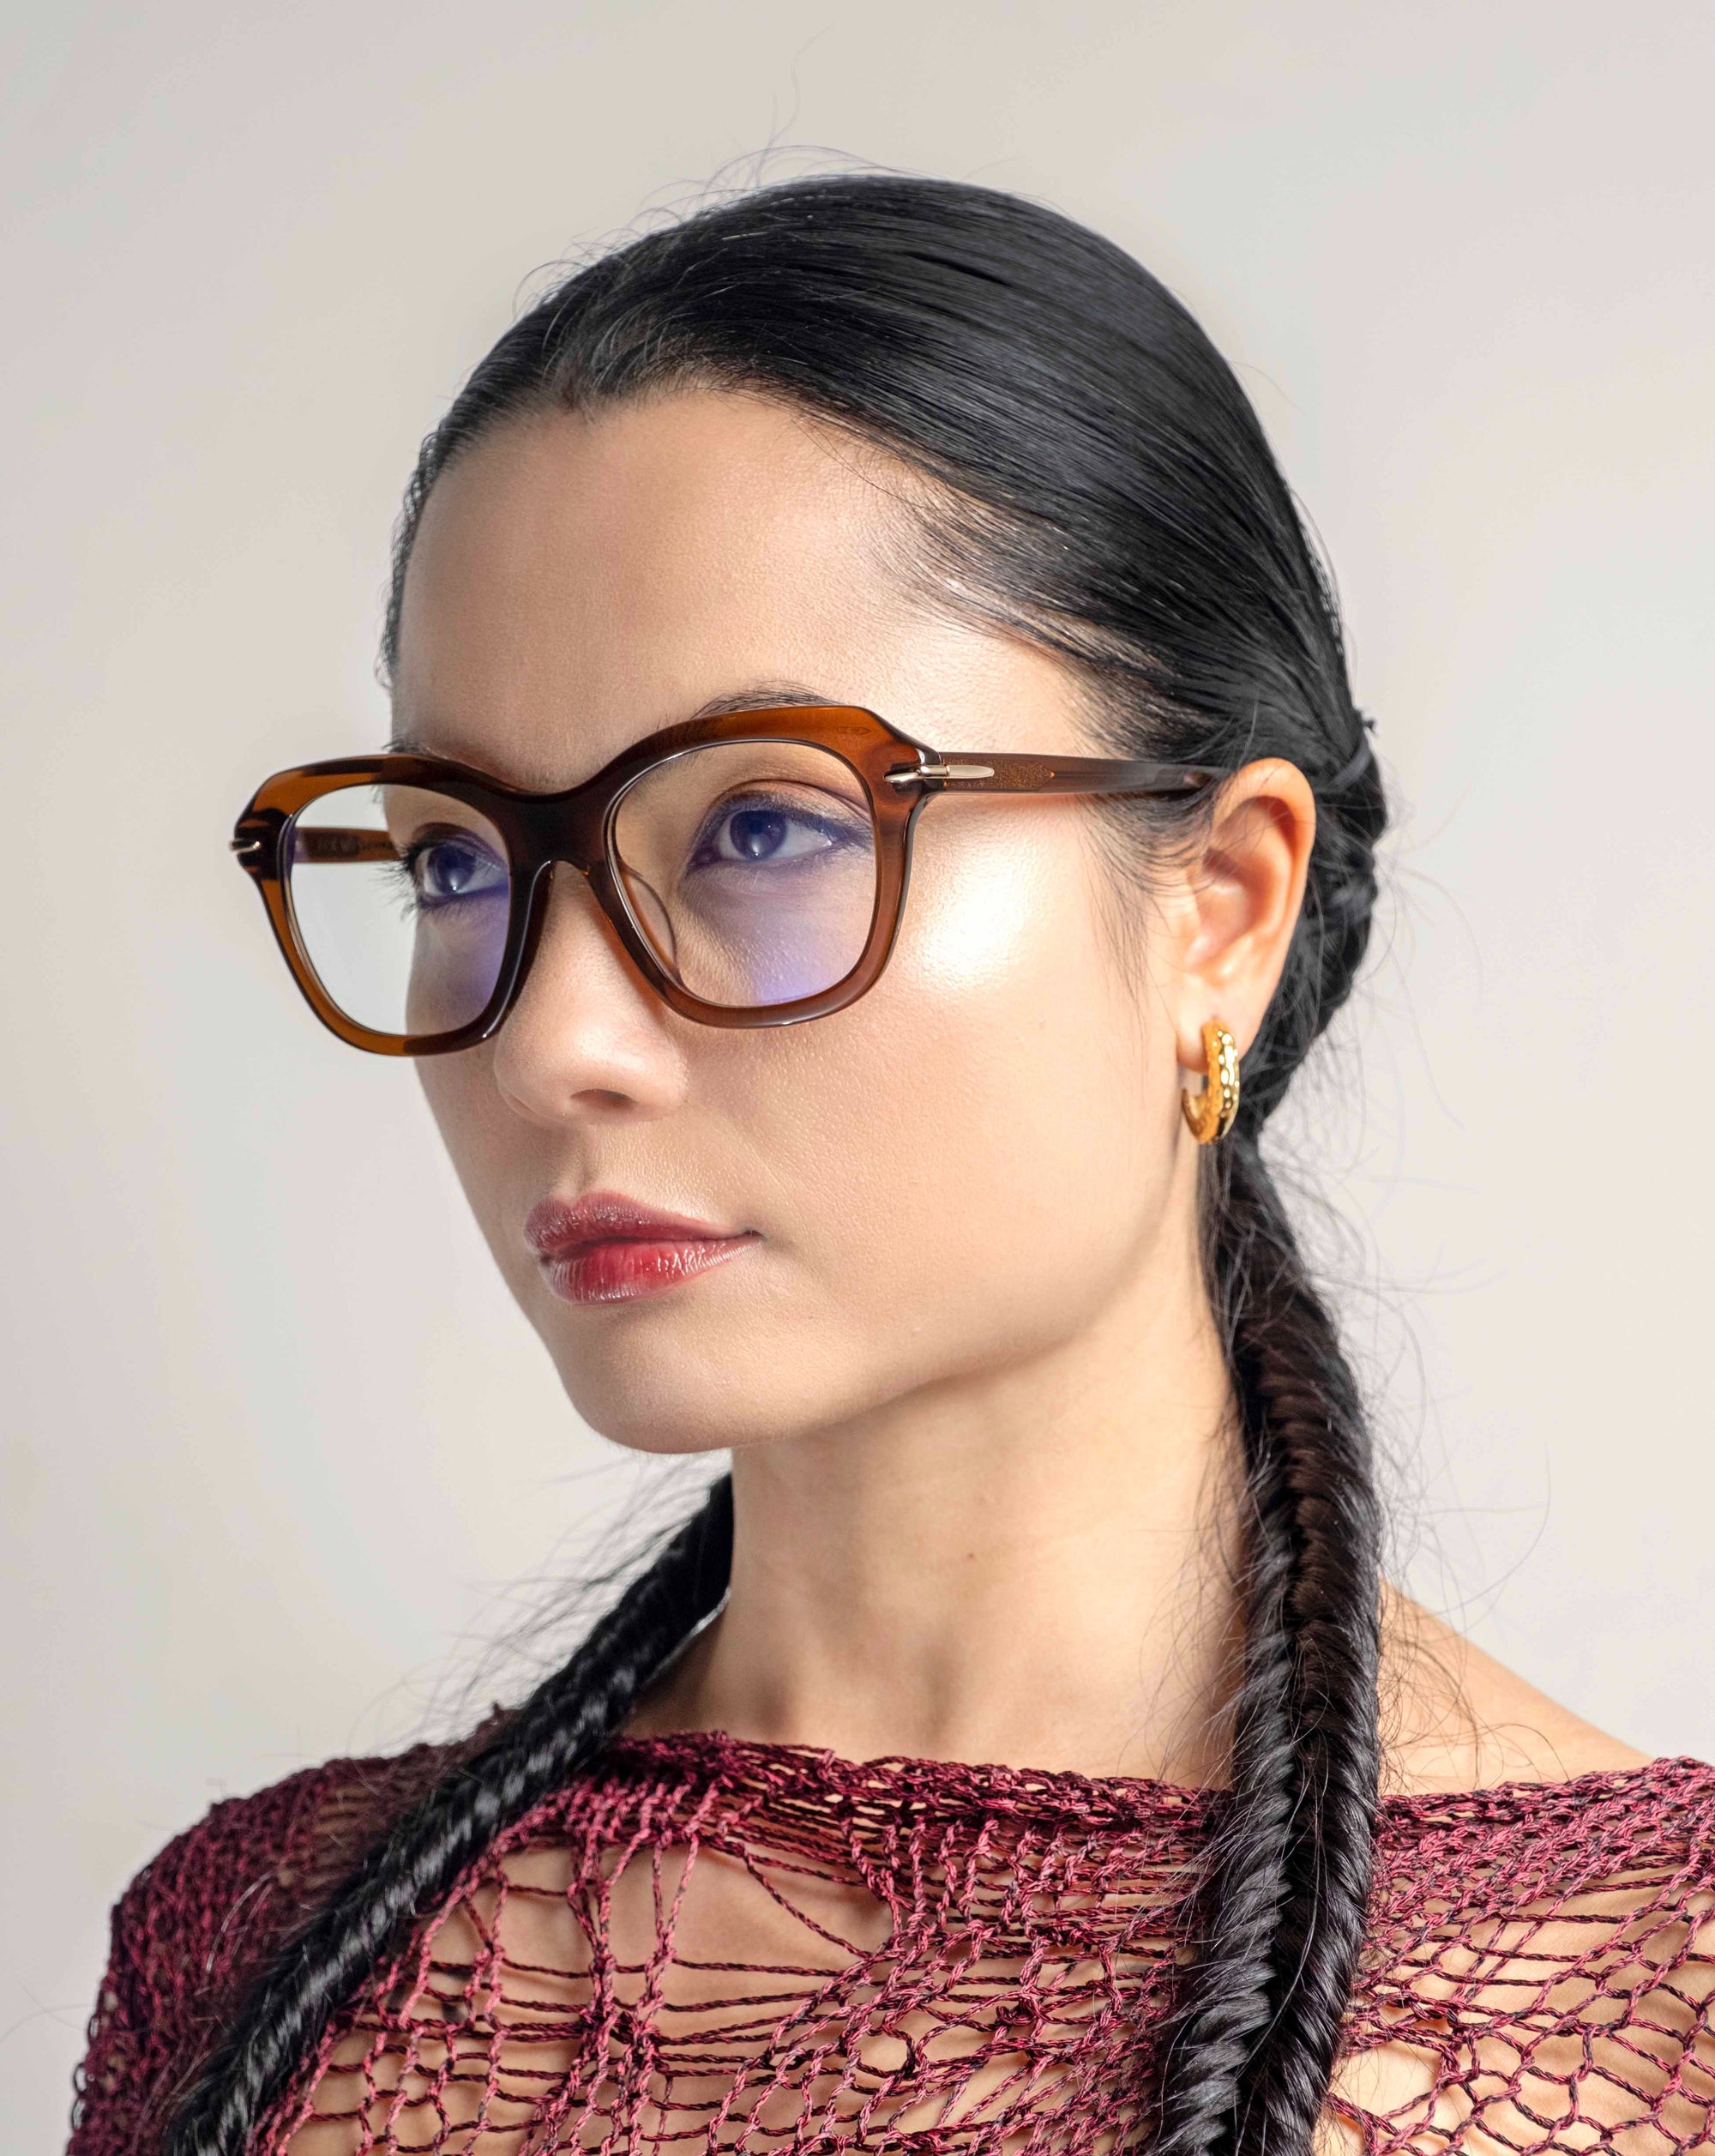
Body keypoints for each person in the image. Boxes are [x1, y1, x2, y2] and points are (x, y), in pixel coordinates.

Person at [69, 174, 1713, 2156]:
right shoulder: (265, 1960)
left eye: (762, 829)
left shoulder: (1650, 2010)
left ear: (1218, 905)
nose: (549, 1040)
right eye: (455, 855)